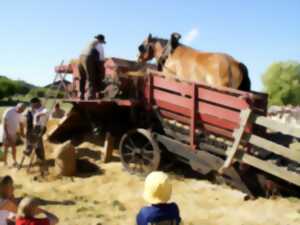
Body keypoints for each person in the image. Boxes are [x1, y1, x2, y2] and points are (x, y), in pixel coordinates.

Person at [22, 98, 48, 173]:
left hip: (41, 127)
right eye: (32, 105)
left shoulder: (43, 109)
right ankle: (40, 158)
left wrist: (38, 115)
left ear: (37, 103)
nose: (32, 106)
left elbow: (46, 112)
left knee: (34, 139)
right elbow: (27, 114)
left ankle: (29, 150)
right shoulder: (34, 109)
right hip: (35, 127)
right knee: (38, 143)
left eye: (33, 104)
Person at [78, 34, 106, 99]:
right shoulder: (99, 44)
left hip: (80, 58)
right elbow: (101, 59)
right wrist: (101, 70)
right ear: (101, 40)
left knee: (82, 77)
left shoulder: (89, 42)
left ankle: (81, 94)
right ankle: (90, 95)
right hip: (88, 57)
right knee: (91, 77)